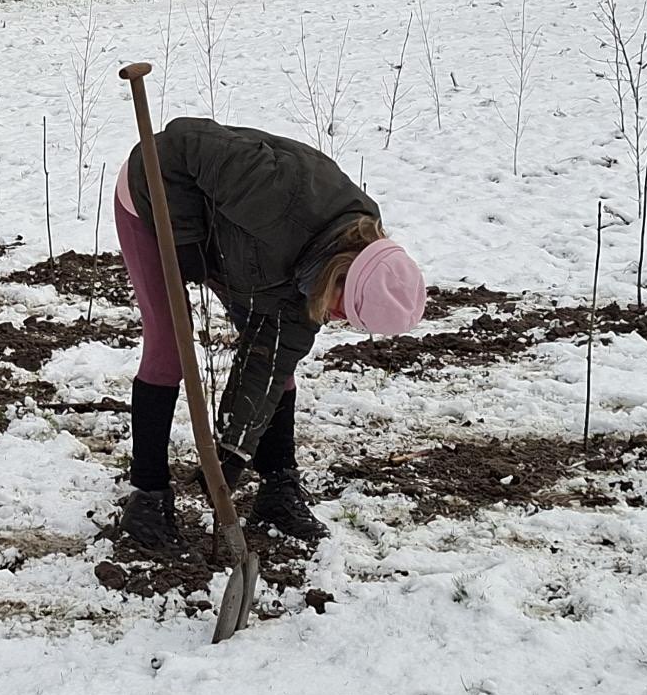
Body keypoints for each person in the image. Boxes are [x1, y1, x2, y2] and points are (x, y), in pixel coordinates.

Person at [114, 116, 425, 548]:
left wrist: (230, 453)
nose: (335, 320)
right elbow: (177, 143)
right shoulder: (279, 192)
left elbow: (272, 357)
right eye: (342, 310)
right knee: (169, 345)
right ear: (342, 275)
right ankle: (147, 496)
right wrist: (185, 237)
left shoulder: (330, 270)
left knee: (282, 363)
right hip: (156, 201)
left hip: (245, 257)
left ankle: (278, 488)